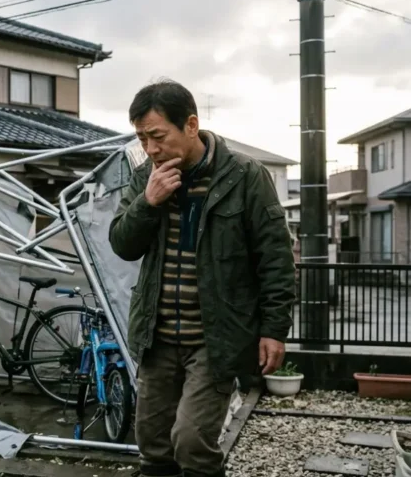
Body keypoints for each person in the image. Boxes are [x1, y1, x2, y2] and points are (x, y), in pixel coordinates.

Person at [109, 79, 295, 477]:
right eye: (142, 139)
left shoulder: (245, 176)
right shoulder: (146, 178)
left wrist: (274, 328)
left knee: (192, 441)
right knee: (153, 445)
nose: (151, 149)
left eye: (158, 136)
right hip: (157, 336)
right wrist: (148, 202)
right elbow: (123, 245)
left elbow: (275, 257)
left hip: (215, 338)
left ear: (191, 125)